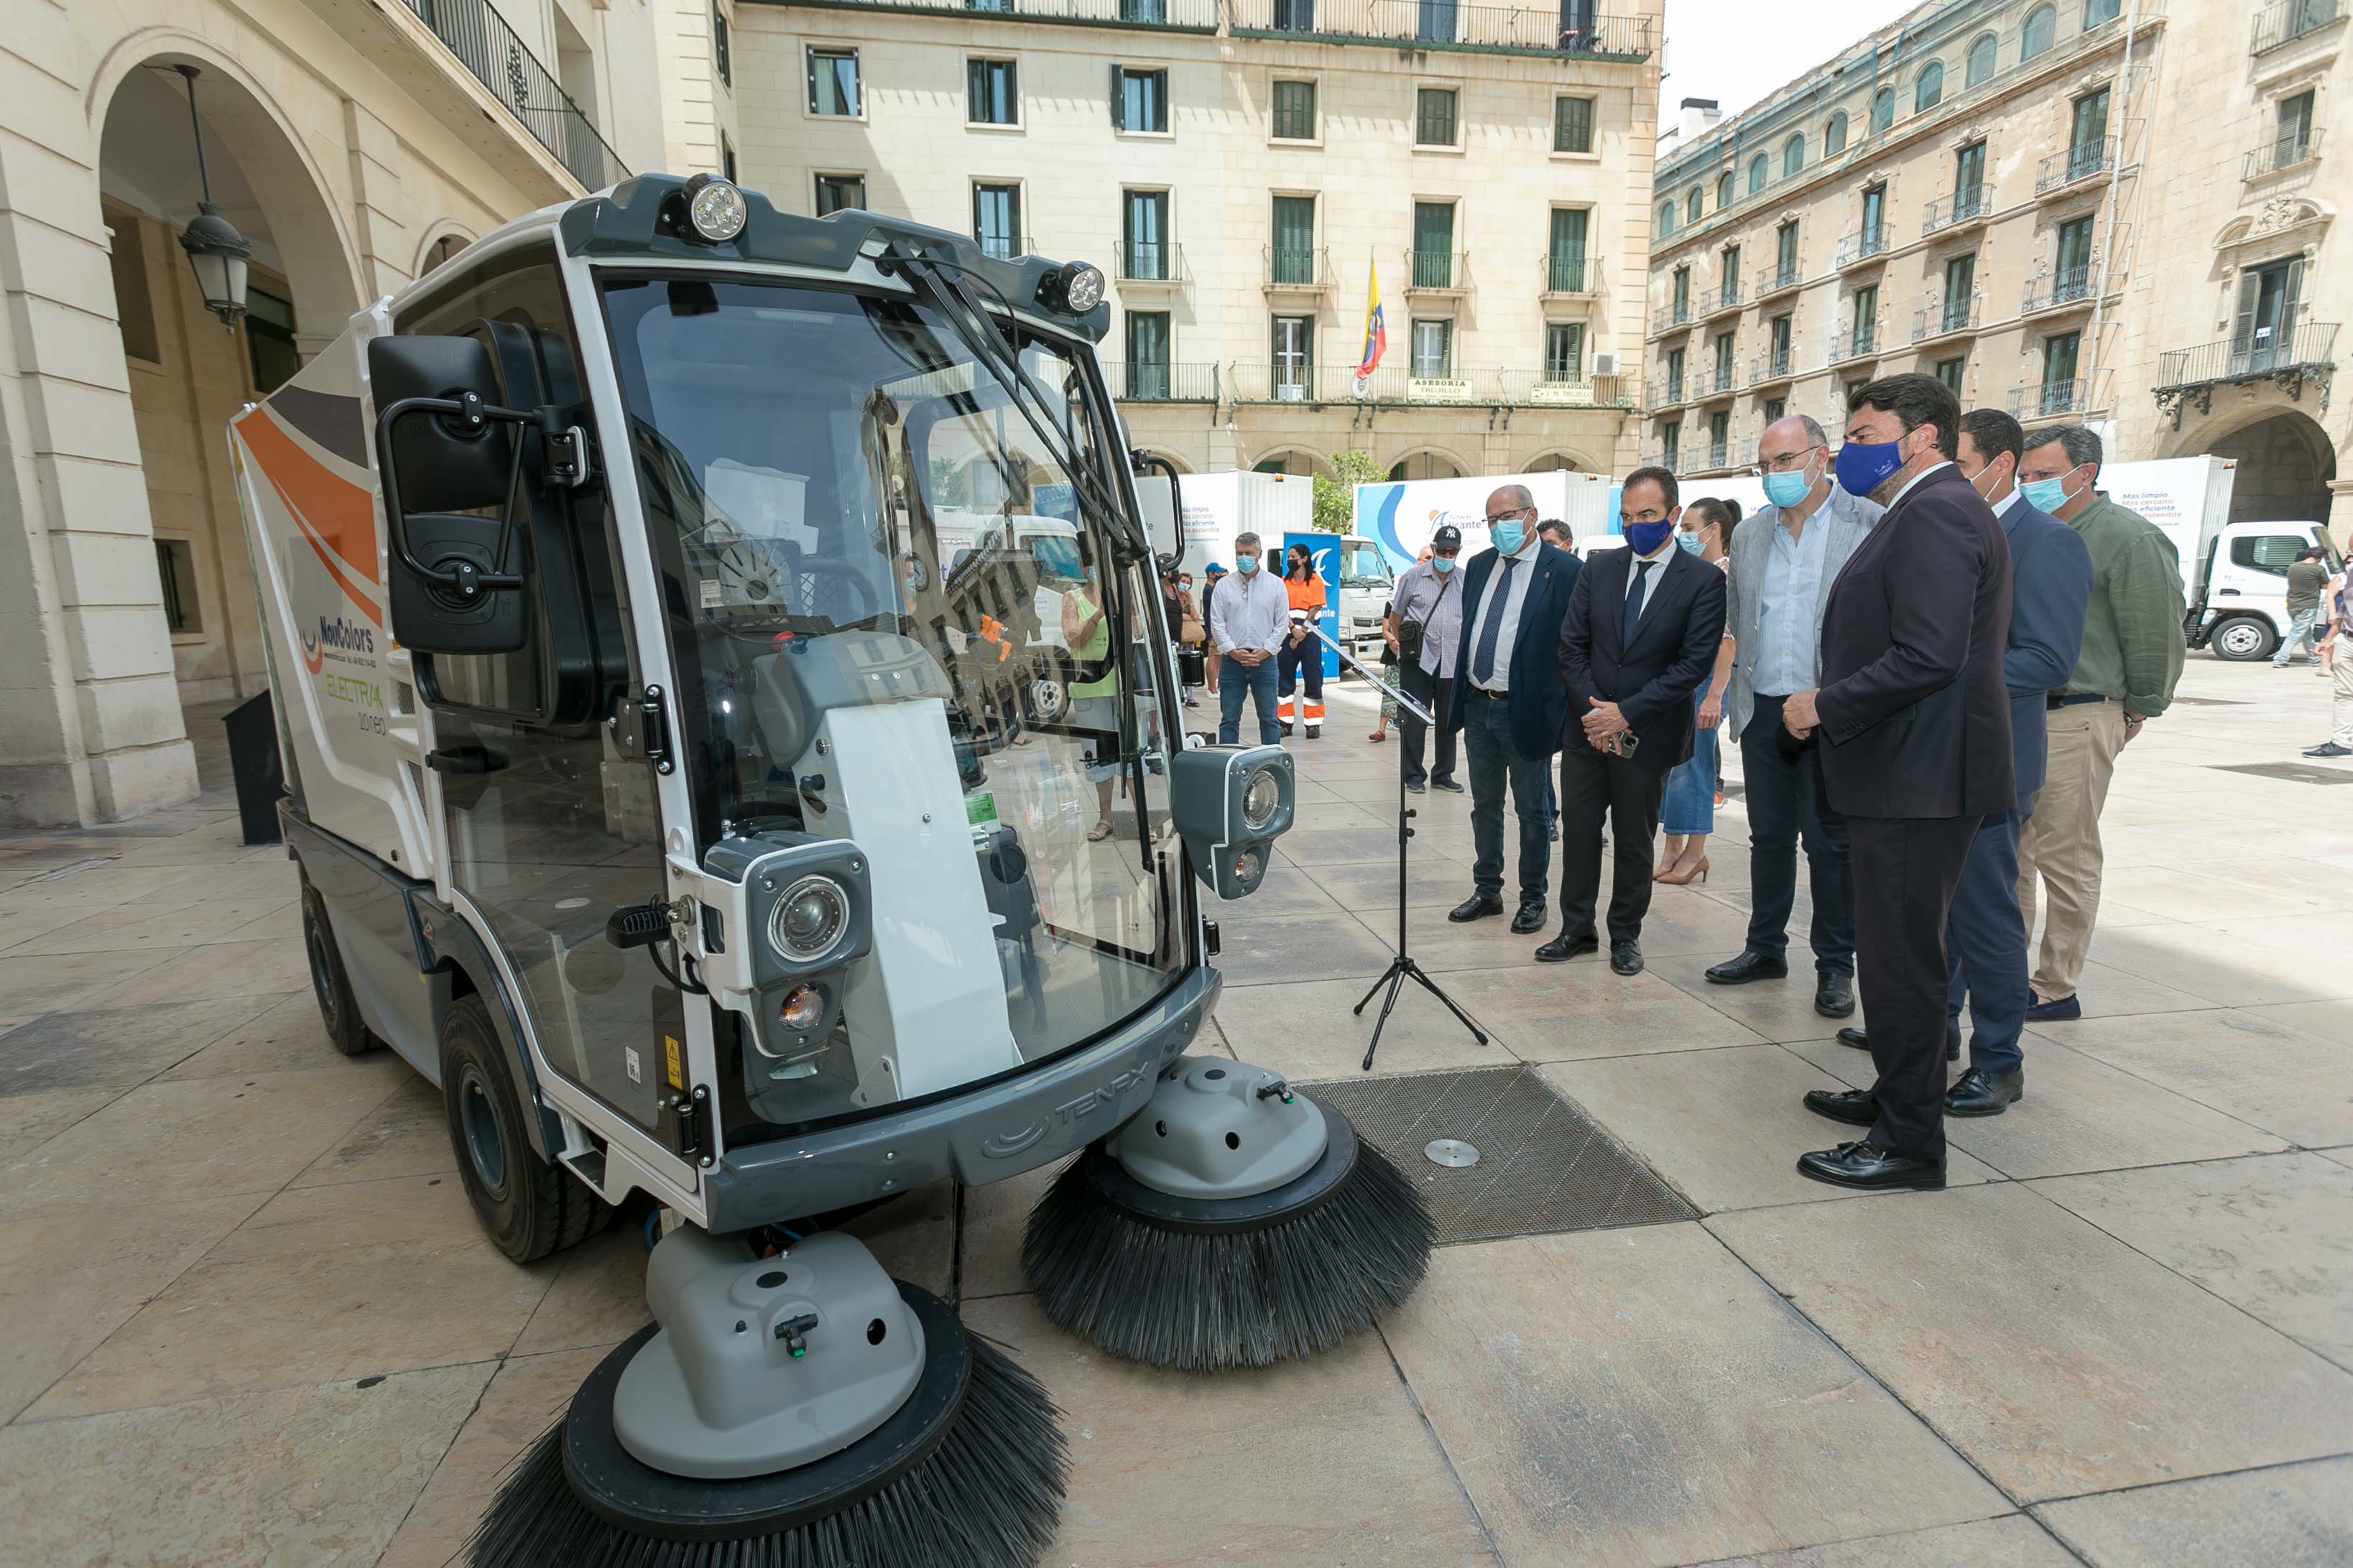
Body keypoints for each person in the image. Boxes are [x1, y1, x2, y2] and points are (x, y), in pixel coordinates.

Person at [1783, 373, 2012, 1191]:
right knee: (1900, 953)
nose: (1848, 447)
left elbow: (1927, 653)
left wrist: (1821, 703)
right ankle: (1896, 1093)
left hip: (1918, 775)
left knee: (1901, 963)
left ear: (1920, 436)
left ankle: (1909, 1141)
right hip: (1908, 769)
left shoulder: (1938, 511)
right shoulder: (1922, 511)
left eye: (1865, 430)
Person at [1836, 409, 2092, 1115]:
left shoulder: (2045, 542)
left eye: (1961, 458)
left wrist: (1945, 672)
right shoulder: (1939, 522)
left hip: (1987, 756)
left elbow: (2046, 658)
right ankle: (1927, 1045)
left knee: (1982, 916)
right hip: (1925, 760)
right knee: (1926, 918)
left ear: (1994, 464)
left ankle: (1998, 1058)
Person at [1704, 414, 1881, 1020]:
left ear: (1820, 457)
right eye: (1764, 465)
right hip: (1764, 711)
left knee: (1830, 845)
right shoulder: (1751, 536)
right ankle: (1764, 948)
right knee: (1769, 839)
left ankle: (1834, 966)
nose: (1773, 475)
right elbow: (1738, 620)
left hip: (1835, 711)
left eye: (1783, 461)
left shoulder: (1870, 524)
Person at [2012, 424, 2186, 1022]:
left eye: (2041, 475)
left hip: (2079, 711)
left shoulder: (2127, 538)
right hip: (2021, 710)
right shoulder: (2031, 533)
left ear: (2083, 473)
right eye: (2024, 476)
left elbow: (2155, 630)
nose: (2029, 485)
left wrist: (2139, 705)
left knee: (2067, 854)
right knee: (2012, 853)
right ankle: (2007, 973)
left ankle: (2055, 985)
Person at [1548, 468, 1729, 974]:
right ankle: (1575, 929)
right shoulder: (1598, 567)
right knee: (1580, 834)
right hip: (1587, 730)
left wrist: (1625, 713)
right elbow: (1571, 646)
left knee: (1633, 840)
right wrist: (1594, 713)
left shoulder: (1702, 580)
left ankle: (1624, 935)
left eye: (1647, 515)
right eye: (1627, 516)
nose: (1635, 526)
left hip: (1645, 734)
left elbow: (1691, 665)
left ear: (1673, 515)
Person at [1446, 485, 1581, 934]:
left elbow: (1575, 645)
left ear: (1530, 514)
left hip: (1526, 710)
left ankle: (1533, 898)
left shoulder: (1563, 570)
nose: (1497, 526)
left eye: (1506, 516)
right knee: (1485, 805)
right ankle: (1487, 890)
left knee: (1533, 811)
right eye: (1490, 519)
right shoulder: (1481, 565)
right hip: (1478, 705)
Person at [1655, 498, 1737, 884]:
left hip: (1706, 682)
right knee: (1675, 766)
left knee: (1696, 767)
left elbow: (1727, 642)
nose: (1683, 535)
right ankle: (1672, 849)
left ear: (1714, 529)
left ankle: (1695, 853)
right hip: (1682, 681)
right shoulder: (1695, 573)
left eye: (1690, 528)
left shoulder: (1723, 575)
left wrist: (1715, 695)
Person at [1388, 532, 1466, 792]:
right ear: (1434, 547)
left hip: (1451, 660)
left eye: (1452, 552)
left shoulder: (1464, 579)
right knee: (1414, 719)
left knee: (1448, 721)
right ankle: (1413, 775)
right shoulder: (1413, 577)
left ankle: (1443, 774)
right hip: (1418, 661)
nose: (1446, 557)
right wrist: (1404, 648)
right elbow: (1396, 617)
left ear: (1458, 551)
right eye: (1442, 551)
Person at [1208, 534, 1288, 746]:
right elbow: (1217, 623)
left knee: (1270, 720)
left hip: (1265, 661)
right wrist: (1232, 650)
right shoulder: (1223, 586)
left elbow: (1282, 624)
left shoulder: (1276, 585)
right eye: (1239, 553)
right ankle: (1229, 767)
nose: (1244, 558)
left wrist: (1265, 651)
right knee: (1229, 719)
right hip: (1232, 661)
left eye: (1248, 553)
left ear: (1259, 554)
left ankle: (1271, 765)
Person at [1277, 542, 1327, 738]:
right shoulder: (1283, 582)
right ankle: (1284, 723)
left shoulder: (1315, 581)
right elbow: (1280, 609)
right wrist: (1292, 629)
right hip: (1286, 636)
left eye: (1293, 557)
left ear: (1304, 559)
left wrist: (1300, 634)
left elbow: (1314, 610)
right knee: (1284, 682)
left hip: (1309, 637)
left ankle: (1313, 725)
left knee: (1313, 679)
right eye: (1288, 557)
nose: (1290, 561)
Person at [2307, 562, 2353, 757]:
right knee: (2344, 693)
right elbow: (2345, 608)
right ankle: (2342, 742)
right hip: (2348, 638)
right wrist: (2329, 638)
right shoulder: (2350, 575)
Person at [2278, 547, 2329, 668]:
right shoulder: (2319, 569)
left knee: (2305, 633)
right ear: (2320, 557)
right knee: (2296, 633)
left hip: (2292, 604)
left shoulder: (2293, 567)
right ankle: (2280, 658)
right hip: (2308, 605)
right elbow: (2326, 586)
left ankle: (2314, 659)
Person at [1199, 562, 1227, 696]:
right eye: (1219, 573)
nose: (1221, 575)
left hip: (1217, 628)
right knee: (1213, 657)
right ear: (1211, 574)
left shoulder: (1214, 588)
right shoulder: (1210, 590)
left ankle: (1217, 686)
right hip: (1214, 628)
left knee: (1219, 657)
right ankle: (1212, 688)